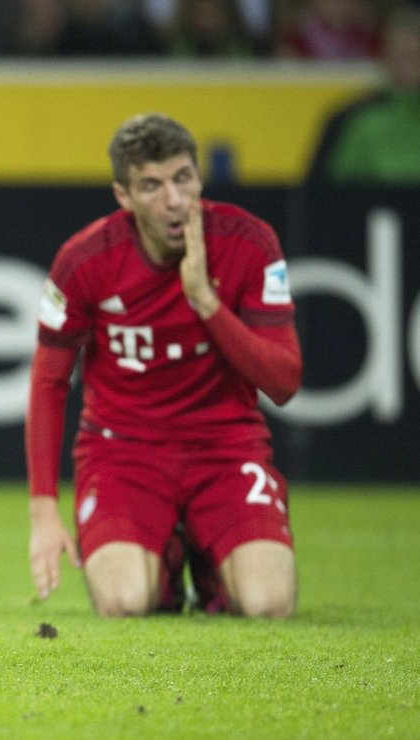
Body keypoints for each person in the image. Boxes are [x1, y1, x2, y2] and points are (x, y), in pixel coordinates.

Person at [26, 113, 301, 618]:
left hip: (225, 448)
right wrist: (44, 512)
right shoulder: (87, 259)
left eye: (182, 179)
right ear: (123, 196)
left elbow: (283, 382)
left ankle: (212, 563)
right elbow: (48, 381)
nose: (174, 200)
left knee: (269, 604)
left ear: (198, 177)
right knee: (124, 601)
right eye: (151, 186)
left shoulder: (249, 243)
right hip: (122, 455)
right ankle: (169, 561)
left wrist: (206, 303)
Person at [307, 5, 420, 185]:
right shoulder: (351, 119)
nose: (408, 65)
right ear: (385, 55)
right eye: (401, 54)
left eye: (414, 56)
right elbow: (325, 197)